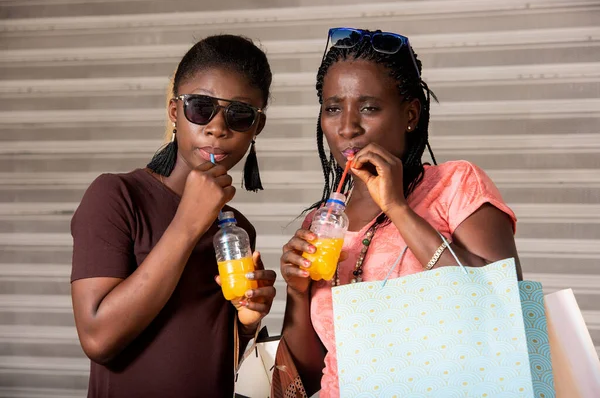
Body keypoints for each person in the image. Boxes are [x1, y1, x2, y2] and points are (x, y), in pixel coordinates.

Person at [278, 27, 522, 397]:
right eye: (332, 108)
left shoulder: (456, 185)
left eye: (369, 107)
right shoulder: (323, 224)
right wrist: (297, 292)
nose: (347, 127)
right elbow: (312, 376)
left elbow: (504, 309)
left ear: (410, 114)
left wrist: (397, 208)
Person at [70, 34, 277, 398]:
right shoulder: (116, 197)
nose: (217, 127)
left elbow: (213, 356)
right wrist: (187, 223)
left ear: (256, 128)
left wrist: (247, 322)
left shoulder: (237, 229)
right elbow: (98, 338)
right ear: (174, 112)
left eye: (239, 115)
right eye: (201, 107)